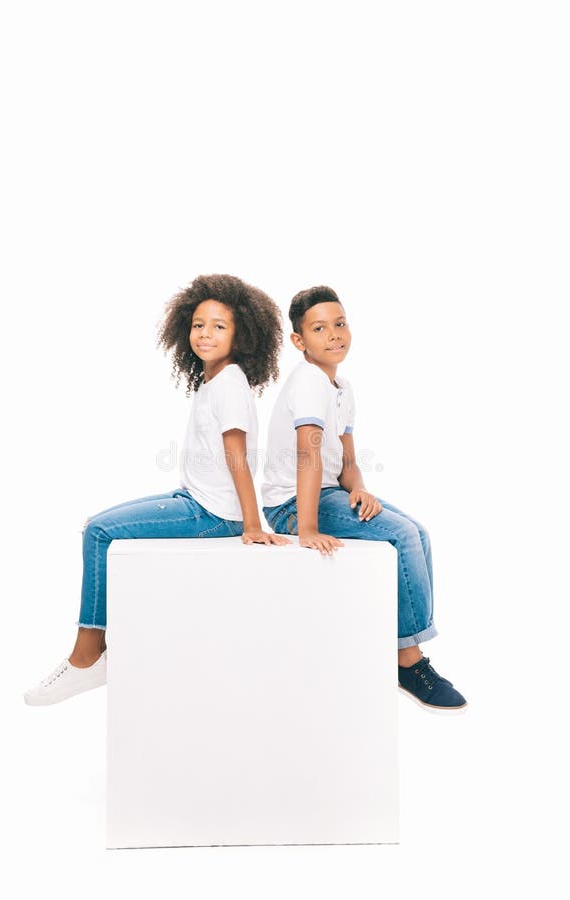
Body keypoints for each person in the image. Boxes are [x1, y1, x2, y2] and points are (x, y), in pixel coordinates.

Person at [24, 274, 289, 706]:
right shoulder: (215, 379)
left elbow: (236, 455)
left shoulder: (231, 383)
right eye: (199, 324)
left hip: (214, 514)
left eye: (219, 326)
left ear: (241, 334)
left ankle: (87, 656)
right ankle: (93, 651)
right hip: (194, 498)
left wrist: (251, 522)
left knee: (99, 534)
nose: (205, 334)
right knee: (97, 524)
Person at [261, 285, 467, 713]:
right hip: (294, 506)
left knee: (418, 532)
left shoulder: (341, 386)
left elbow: (346, 461)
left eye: (340, 323)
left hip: (330, 492)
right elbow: (309, 455)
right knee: (402, 536)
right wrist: (308, 527)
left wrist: (359, 489)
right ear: (299, 341)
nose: (334, 334)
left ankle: (400, 649)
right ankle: (408, 662)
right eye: (319, 328)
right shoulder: (309, 382)